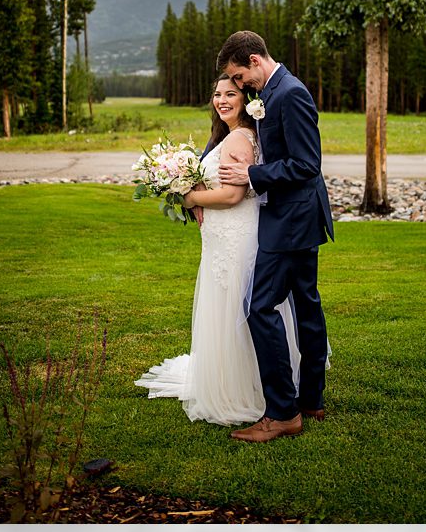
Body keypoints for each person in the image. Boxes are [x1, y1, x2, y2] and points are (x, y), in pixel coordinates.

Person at [134, 74, 305, 428]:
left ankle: (245, 388)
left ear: (246, 99)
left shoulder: (239, 139)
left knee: (236, 310)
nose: (222, 100)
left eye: (231, 94)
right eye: (216, 94)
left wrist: (190, 196)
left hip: (235, 237)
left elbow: (232, 195)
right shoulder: (228, 137)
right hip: (222, 237)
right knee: (231, 311)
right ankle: (256, 382)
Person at [211, 31, 332, 444]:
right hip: (298, 217)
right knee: (306, 307)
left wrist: (252, 175)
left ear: (255, 60)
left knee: (258, 306)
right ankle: (311, 399)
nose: (240, 86)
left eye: (239, 76)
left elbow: (306, 164)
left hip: (291, 221)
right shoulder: (276, 89)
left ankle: (282, 412)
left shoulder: (289, 94)